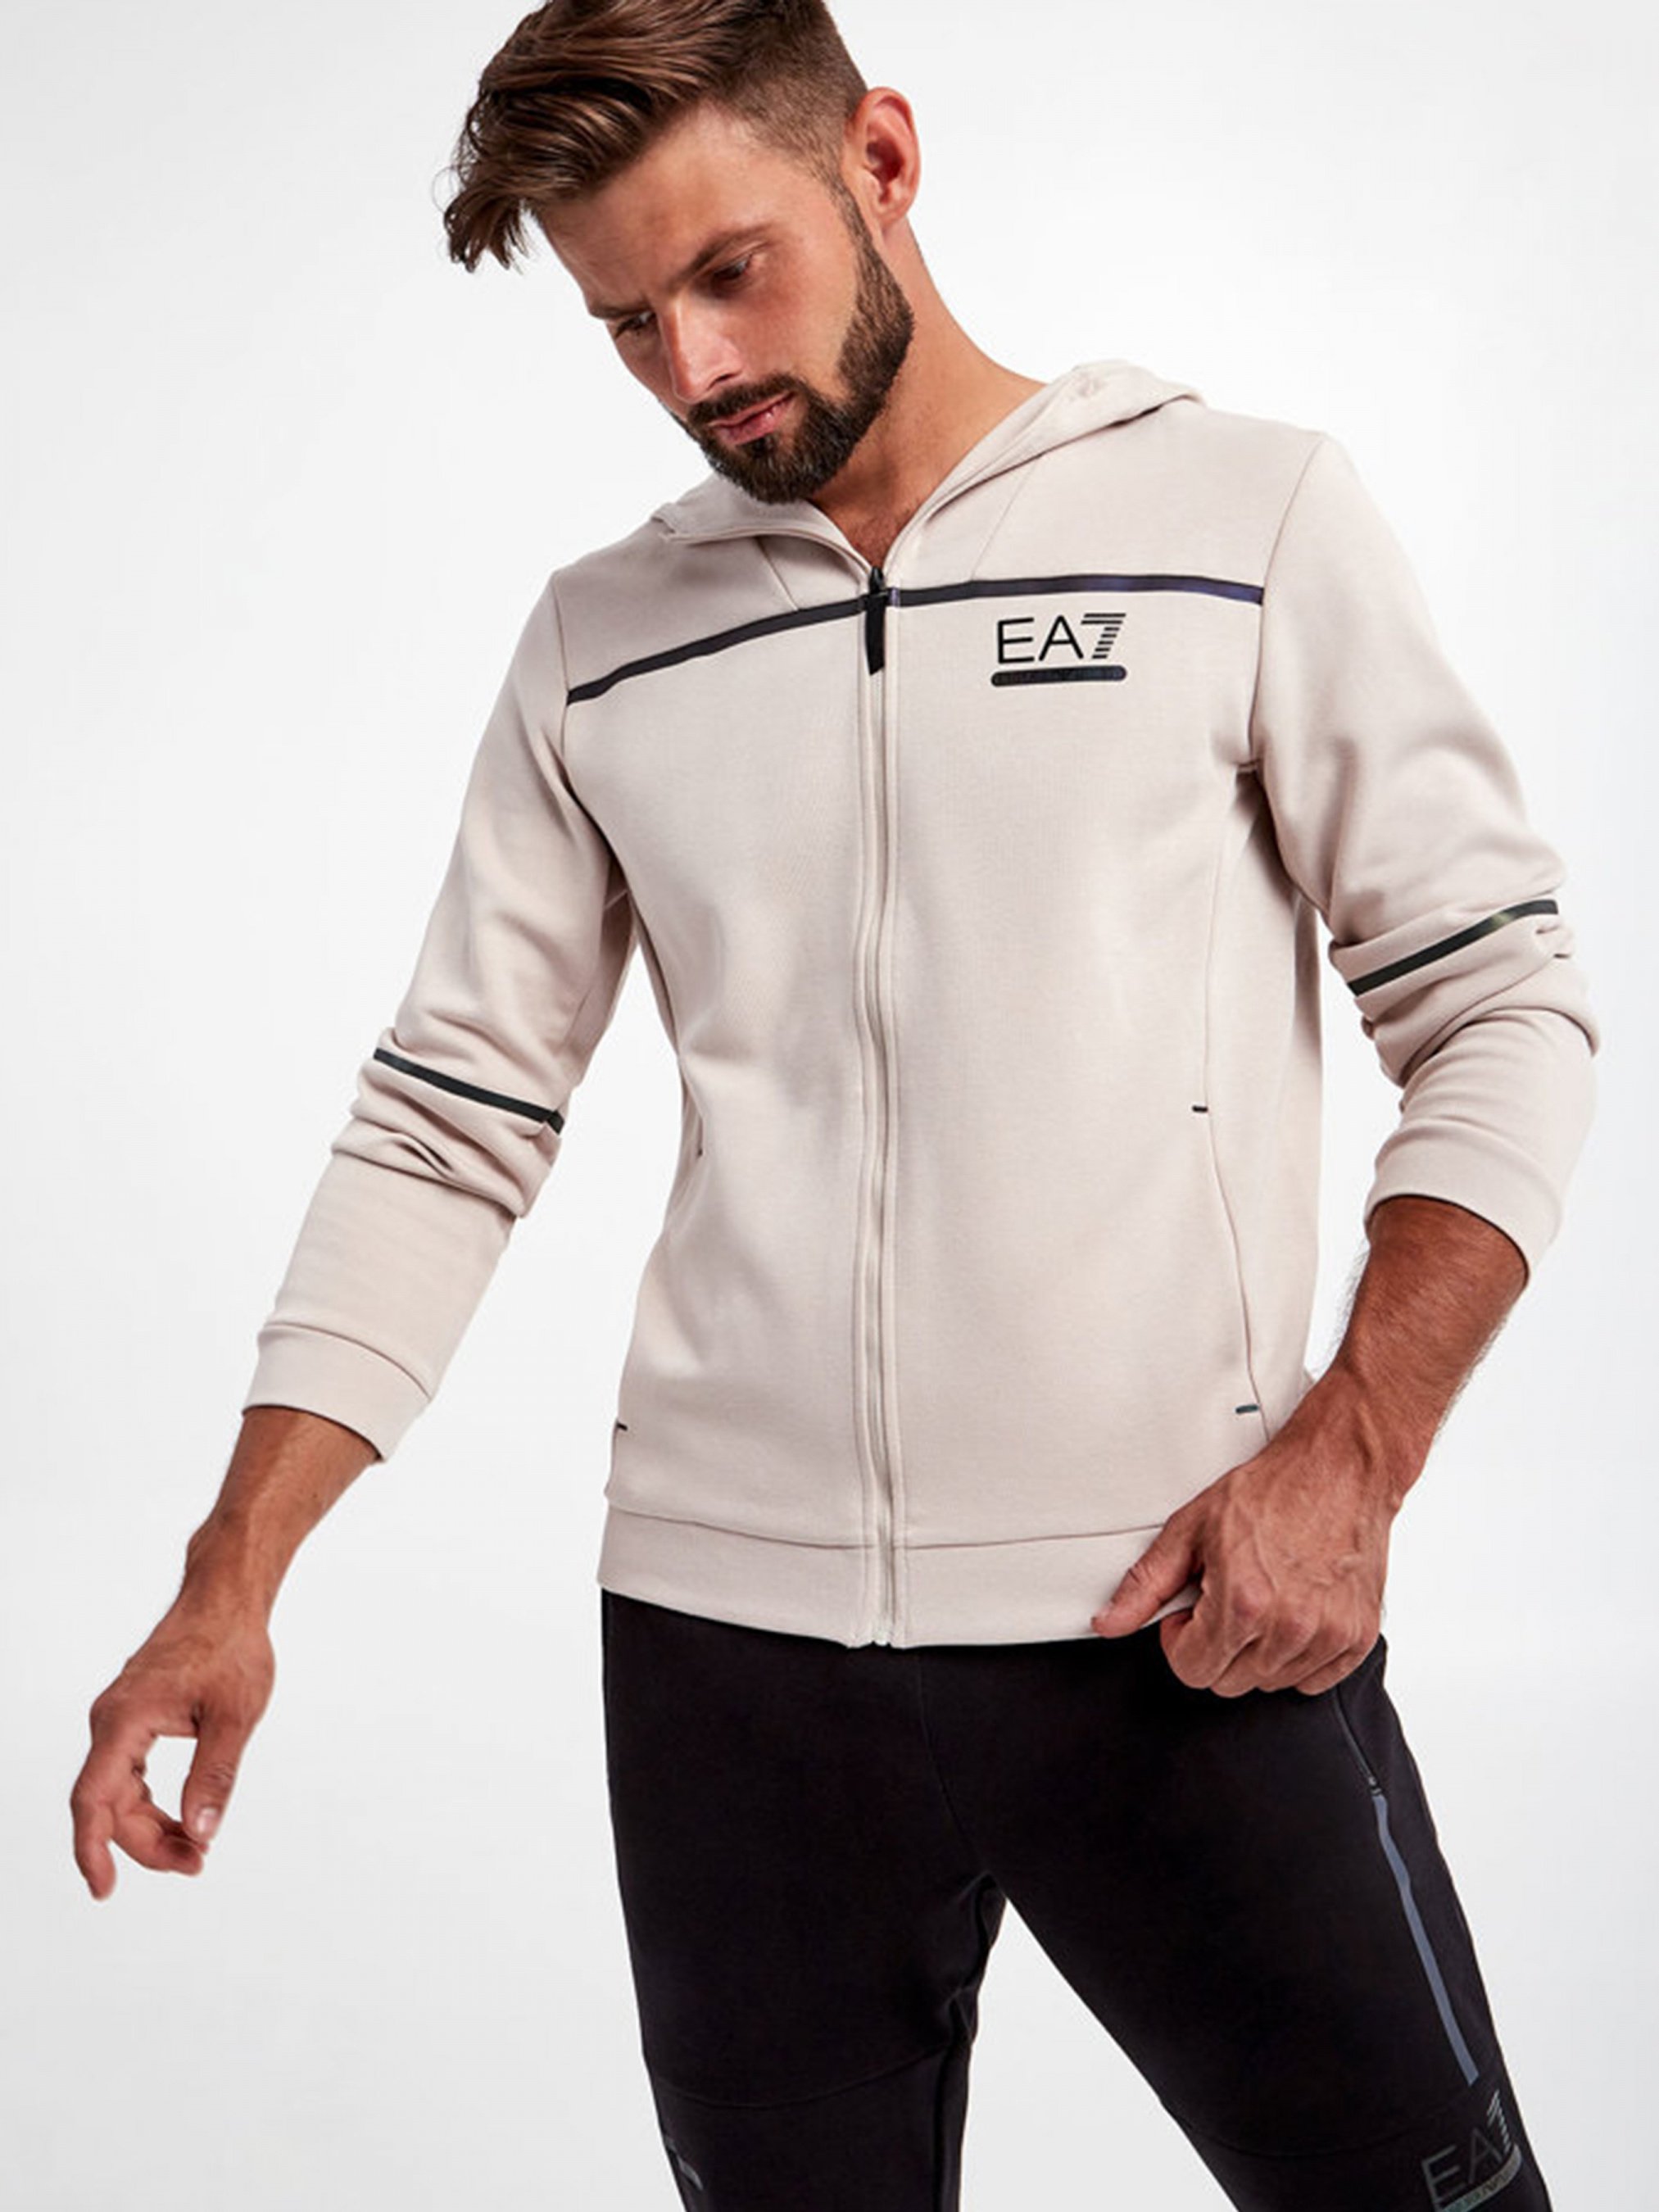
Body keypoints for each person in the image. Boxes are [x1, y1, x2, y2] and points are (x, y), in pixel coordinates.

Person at [70, 3, 1597, 2206]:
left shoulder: (1237, 518)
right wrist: (232, 1578)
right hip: (731, 1673)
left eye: (729, 273)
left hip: (1174, 1614)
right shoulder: (604, 641)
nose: (694, 369)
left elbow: (1500, 1003)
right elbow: (445, 1123)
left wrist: (1353, 1451)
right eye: (626, 324)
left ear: (880, 156)